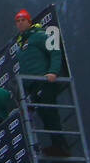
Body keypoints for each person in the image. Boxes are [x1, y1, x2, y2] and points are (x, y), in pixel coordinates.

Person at [14, 9, 65, 151]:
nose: (20, 23)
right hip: (32, 85)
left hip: (45, 81)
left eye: (22, 20)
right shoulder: (21, 44)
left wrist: (53, 72)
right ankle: (57, 146)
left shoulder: (40, 35)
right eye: (17, 21)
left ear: (29, 21)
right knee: (43, 114)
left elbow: (55, 52)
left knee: (50, 112)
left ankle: (60, 145)